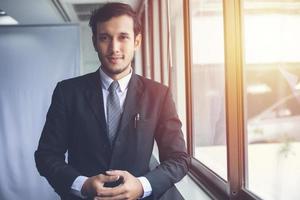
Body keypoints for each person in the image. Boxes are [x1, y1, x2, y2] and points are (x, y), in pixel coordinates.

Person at [35, 2, 190, 200]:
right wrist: (82, 184)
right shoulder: (67, 92)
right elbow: (46, 155)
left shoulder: (159, 94)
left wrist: (143, 186)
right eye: (104, 38)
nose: (114, 48)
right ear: (94, 42)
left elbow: (179, 159)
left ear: (137, 41)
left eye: (123, 37)